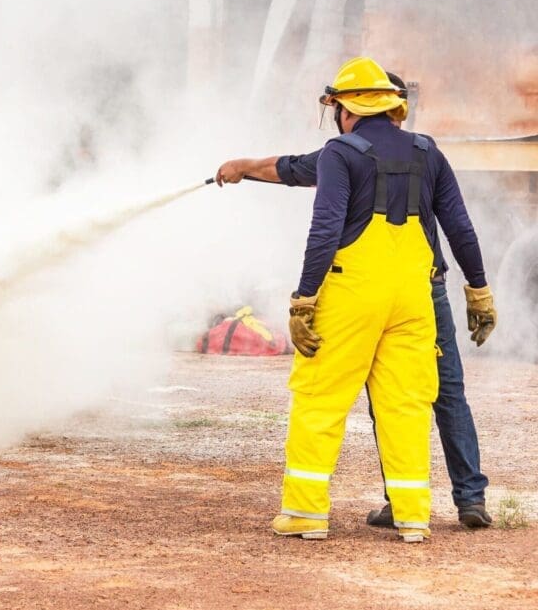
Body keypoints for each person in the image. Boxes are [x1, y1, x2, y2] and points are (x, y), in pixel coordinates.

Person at [213, 71, 496, 529]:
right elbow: (460, 228)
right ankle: (423, 513)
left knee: (322, 397)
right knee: (416, 398)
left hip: (356, 296)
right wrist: (479, 289)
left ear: (349, 108)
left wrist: (305, 298)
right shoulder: (428, 152)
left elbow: (324, 229)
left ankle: (306, 513)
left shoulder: (341, 153)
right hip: (420, 294)